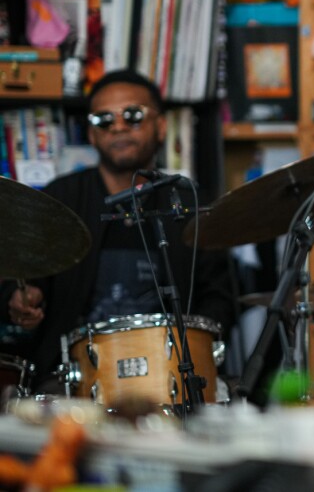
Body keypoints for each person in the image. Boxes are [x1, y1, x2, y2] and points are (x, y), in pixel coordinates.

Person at [3, 70, 235, 395]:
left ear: (161, 126)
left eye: (133, 116)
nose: (119, 127)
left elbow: (219, 297)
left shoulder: (191, 203)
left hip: (171, 375)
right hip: (77, 377)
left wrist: (198, 347)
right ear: (92, 133)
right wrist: (21, 299)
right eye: (104, 119)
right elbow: (25, 277)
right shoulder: (62, 199)